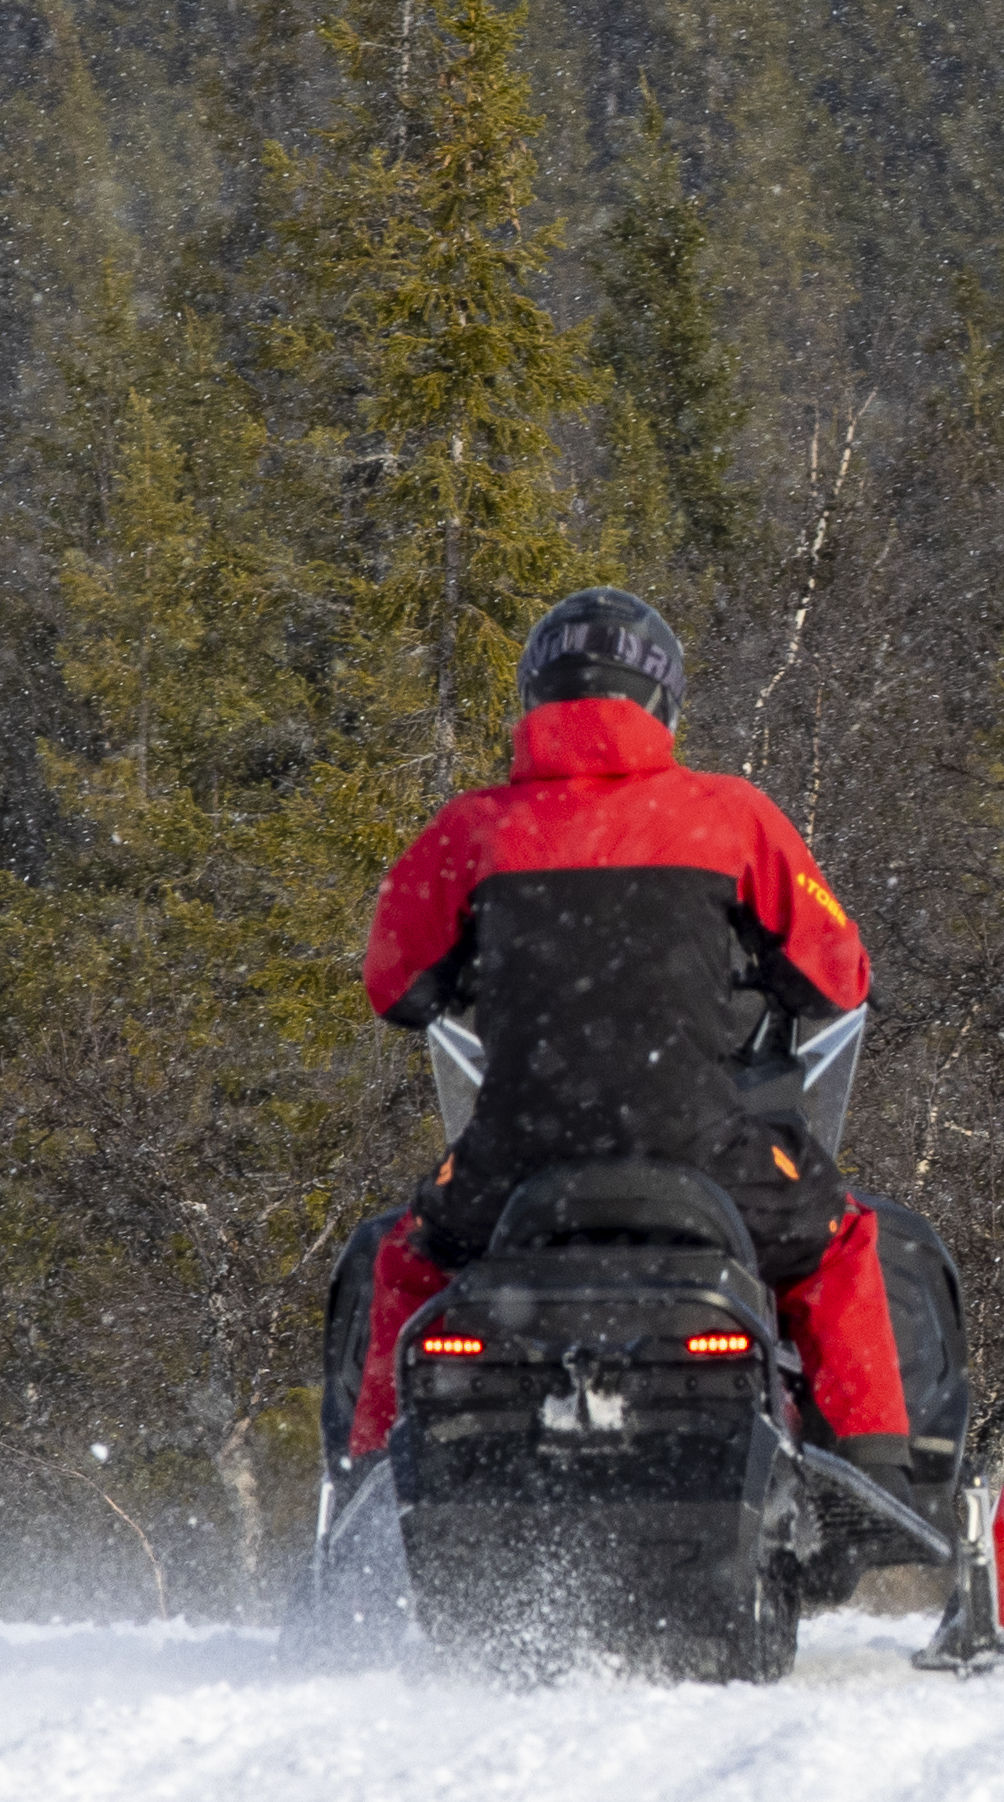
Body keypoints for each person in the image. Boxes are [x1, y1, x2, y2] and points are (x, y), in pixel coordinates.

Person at [340, 587, 912, 1462]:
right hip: (700, 1156)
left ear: (536, 698)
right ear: (661, 700)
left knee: (409, 1258)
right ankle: (875, 1473)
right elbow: (837, 976)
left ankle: (375, 1474)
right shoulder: (731, 817)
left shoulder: (469, 831)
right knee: (838, 1240)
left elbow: (394, 987)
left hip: (517, 1166)